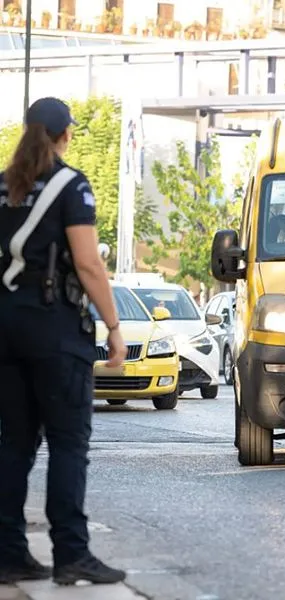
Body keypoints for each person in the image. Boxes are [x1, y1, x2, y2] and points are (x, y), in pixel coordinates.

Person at [0, 97, 128, 585]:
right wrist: (114, 327)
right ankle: (71, 554)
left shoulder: (3, 186)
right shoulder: (71, 184)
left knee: (14, 443)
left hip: (6, 328)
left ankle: (9, 552)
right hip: (54, 327)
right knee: (69, 443)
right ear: (64, 135)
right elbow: (89, 263)